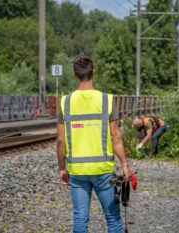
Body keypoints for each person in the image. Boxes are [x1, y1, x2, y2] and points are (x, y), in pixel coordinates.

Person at [57, 55, 133, 233]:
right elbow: (116, 136)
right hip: (102, 170)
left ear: (75, 75)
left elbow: (60, 141)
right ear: (94, 73)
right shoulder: (106, 99)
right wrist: (125, 165)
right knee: (113, 219)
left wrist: (62, 168)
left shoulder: (65, 102)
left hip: (78, 171)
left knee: (81, 219)